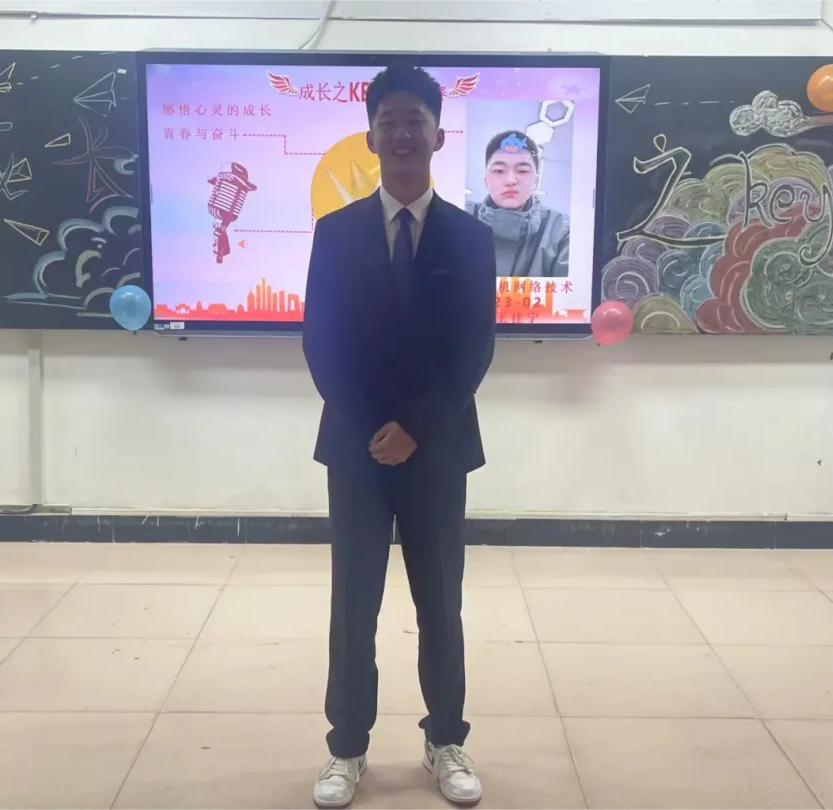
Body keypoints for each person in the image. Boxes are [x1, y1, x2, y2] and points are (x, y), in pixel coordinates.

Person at [302, 64, 496, 809]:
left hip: (437, 447)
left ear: (438, 136)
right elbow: (322, 342)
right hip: (355, 448)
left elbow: (472, 348)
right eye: (390, 121)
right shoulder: (337, 232)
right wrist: (370, 428)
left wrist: (414, 428)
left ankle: (446, 739)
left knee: (439, 602)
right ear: (372, 136)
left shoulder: (471, 238)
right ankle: (347, 747)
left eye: (417, 120)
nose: (403, 133)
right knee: (353, 603)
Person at [465, 129, 570, 278]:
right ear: (486, 181)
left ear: (536, 181)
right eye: (499, 171)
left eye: (522, 171)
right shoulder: (460, 218)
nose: (510, 180)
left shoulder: (561, 231)